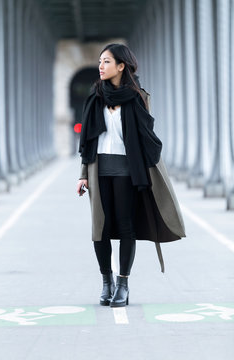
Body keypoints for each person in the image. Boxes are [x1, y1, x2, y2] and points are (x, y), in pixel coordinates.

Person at [77, 43, 186, 308]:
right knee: (99, 230)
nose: (101, 66)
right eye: (100, 61)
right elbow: (87, 139)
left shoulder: (138, 98)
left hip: (128, 171)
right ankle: (107, 282)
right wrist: (83, 174)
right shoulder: (95, 97)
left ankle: (123, 284)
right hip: (98, 169)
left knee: (127, 226)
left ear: (121, 66)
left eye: (106, 61)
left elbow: (147, 136)